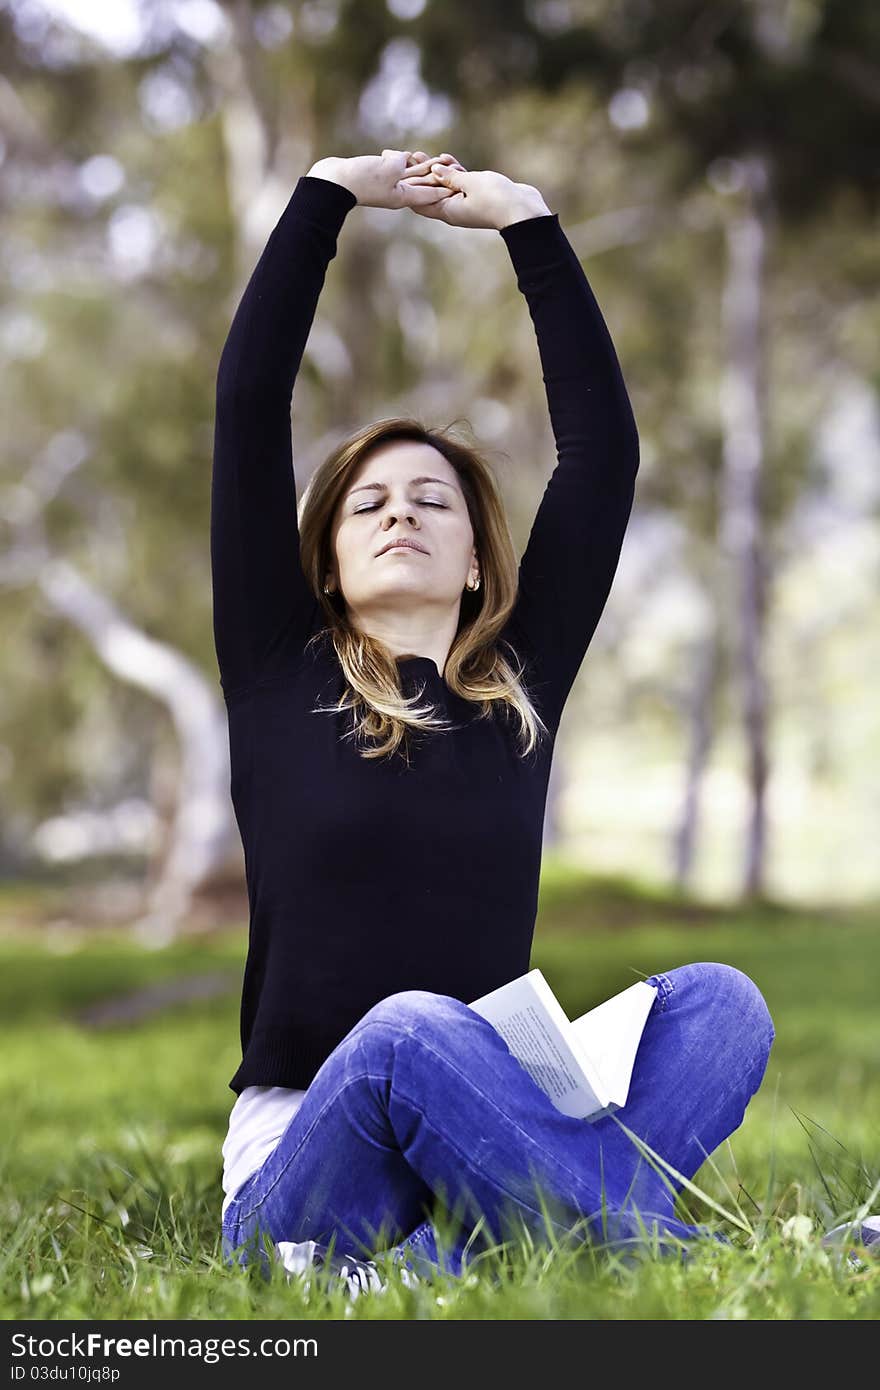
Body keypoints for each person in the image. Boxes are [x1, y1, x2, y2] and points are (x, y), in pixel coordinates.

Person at [211, 147, 776, 1295]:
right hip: (311, 1170)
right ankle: (673, 1252)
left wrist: (528, 222)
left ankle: (466, 1256)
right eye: (367, 503)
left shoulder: (518, 685)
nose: (400, 513)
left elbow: (603, 458)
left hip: (494, 1128)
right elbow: (246, 400)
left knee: (723, 1003)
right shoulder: (280, 666)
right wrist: (329, 190)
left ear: (478, 561)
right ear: (321, 561)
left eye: (433, 501)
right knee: (415, 1027)